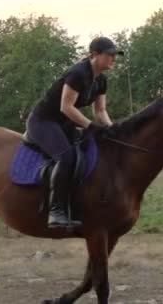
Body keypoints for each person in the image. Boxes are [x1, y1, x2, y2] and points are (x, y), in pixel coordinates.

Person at [25, 36, 123, 227]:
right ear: (95, 55)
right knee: (67, 157)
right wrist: (91, 126)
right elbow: (66, 107)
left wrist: (112, 130)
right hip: (43, 121)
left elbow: (100, 111)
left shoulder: (101, 80)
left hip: (64, 124)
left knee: (88, 151)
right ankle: (56, 212)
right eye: (110, 55)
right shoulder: (78, 73)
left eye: (115, 55)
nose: (114, 59)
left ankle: (77, 204)